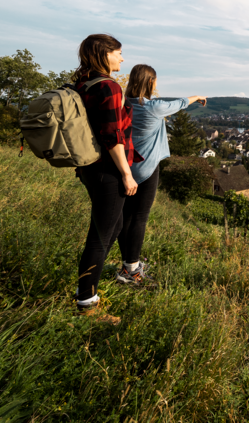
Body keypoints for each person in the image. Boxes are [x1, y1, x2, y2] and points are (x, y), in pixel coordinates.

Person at [116, 64, 206, 286]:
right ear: (150, 83)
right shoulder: (153, 107)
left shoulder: (122, 105)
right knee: (139, 218)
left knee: (125, 217)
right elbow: (180, 103)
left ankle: (126, 265)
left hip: (123, 166)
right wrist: (197, 97)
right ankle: (133, 270)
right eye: (154, 80)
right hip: (146, 169)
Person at [73, 34, 142, 315]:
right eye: (118, 53)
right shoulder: (109, 87)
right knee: (99, 238)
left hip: (90, 166)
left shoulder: (84, 82)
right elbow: (113, 136)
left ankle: (89, 289)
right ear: (104, 54)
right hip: (109, 170)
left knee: (113, 227)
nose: (122, 59)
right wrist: (127, 174)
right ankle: (86, 304)